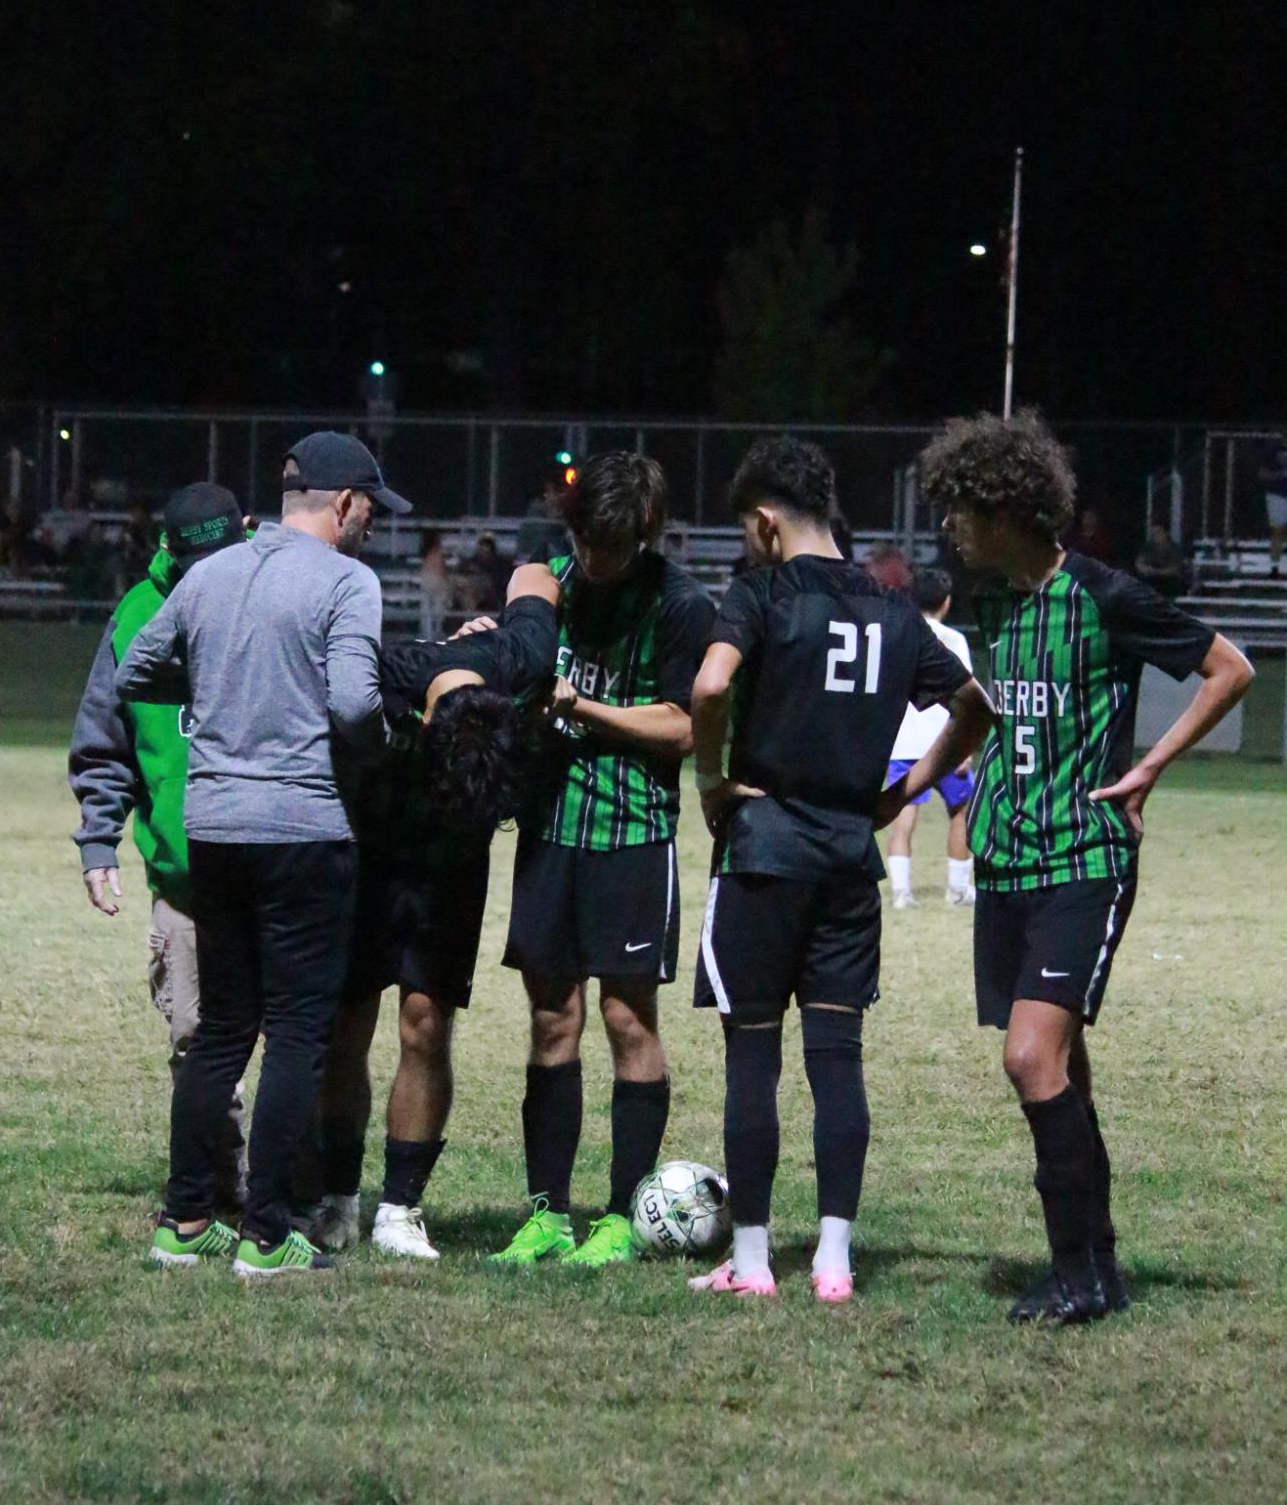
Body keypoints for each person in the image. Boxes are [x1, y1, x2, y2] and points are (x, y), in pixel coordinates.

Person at [919, 409, 1253, 1325]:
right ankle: (1098, 1268)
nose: (951, 528)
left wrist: (1149, 765)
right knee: (1064, 1065)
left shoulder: (1104, 596)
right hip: (1007, 859)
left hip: (1083, 857)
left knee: (1029, 1057)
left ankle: (1071, 1270)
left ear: (1011, 509)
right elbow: (985, 699)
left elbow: (1230, 669)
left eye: (963, 511)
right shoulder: (983, 599)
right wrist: (913, 781)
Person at [688, 436, 990, 1302]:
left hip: (765, 852)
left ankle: (751, 1264)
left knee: (753, 1054)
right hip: (848, 861)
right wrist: (913, 786)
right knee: (837, 1057)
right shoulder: (896, 610)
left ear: (765, 521)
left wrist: (711, 778)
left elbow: (710, 687)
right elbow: (977, 702)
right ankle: (832, 1261)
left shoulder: (760, 593)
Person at [116, 431, 407, 1278]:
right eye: (368, 512)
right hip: (302, 827)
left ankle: (184, 1220)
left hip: (214, 824)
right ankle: (271, 1233)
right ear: (345, 503)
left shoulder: (211, 571)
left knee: (221, 1033)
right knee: (297, 1033)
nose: (369, 529)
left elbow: (136, 669)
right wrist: (381, 746)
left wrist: (220, 690)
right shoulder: (348, 581)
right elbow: (354, 705)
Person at [494, 451, 715, 1268]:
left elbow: (684, 726)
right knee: (552, 1017)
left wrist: (580, 705)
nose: (593, 559)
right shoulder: (549, 581)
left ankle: (624, 1214)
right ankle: (547, 1212)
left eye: (610, 547)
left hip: (632, 834)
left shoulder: (681, 604)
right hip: (552, 828)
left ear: (645, 536)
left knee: (627, 1021)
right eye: (584, 542)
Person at [308, 564, 560, 1257]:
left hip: (450, 866)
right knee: (345, 1022)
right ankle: (337, 1198)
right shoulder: (378, 682)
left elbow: (536, 573)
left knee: (426, 1023)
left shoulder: (519, 660)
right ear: (422, 727)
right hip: (369, 848)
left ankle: (400, 1207)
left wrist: (505, 620)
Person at [69, 483, 249, 1214]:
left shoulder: (261, 596)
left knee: (303, 1036)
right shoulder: (139, 616)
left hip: (273, 862)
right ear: (171, 553)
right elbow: (104, 743)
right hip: (186, 880)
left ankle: (297, 1188)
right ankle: (219, 1181)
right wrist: (97, 841)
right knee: (195, 1036)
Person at [884, 565, 977, 909]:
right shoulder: (954, 640)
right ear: (947, 602)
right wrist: (965, 744)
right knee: (962, 811)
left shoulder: (897, 637)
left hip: (904, 743)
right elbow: (965, 696)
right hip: (944, 744)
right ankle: (956, 890)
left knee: (903, 816)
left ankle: (900, 894)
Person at [514, 467, 570, 564]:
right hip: (535, 563)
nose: (557, 497)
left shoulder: (562, 519)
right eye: (553, 492)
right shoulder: (536, 519)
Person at [1258, 432, 1287, 576]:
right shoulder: (1272, 452)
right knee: (1278, 531)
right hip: (1277, 496)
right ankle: (1274, 566)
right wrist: (1281, 474)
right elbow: (1262, 474)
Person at [1134, 522, 1187, 600]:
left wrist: (1156, 571)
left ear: (1166, 533)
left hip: (1169, 580)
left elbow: (1174, 569)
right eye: (1153, 533)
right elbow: (1139, 563)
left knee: (1173, 583)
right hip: (1151, 578)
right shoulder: (1148, 548)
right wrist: (1145, 569)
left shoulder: (1174, 548)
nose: (1155, 535)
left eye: (1158, 532)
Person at [417, 529, 451, 638]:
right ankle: (435, 631)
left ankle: (428, 632)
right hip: (436, 580)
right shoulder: (437, 553)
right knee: (437, 608)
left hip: (426, 579)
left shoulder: (425, 553)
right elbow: (442, 569)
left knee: (426, 607)